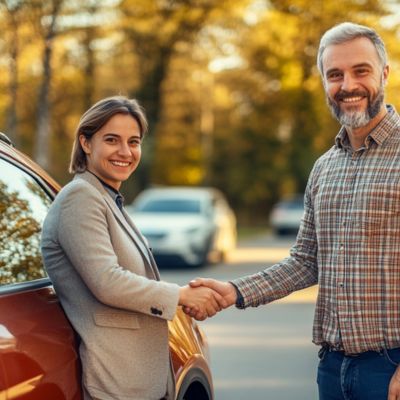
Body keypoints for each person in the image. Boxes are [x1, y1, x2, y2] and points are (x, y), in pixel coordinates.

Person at [188, 22, 400, 400]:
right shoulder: (324, 168)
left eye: (360, 71)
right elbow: (304, 261)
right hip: (332, 370)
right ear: (324, 83)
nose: (347, 85)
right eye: (334, 74)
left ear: (384, 73)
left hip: (391, 369)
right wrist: (234, 290)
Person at [40, 96, 226, 400]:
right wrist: (180, 295)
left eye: (134, 141)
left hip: (142, 378)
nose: (125, 152)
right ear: (86, 143)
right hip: (117, 380)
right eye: (112, 140)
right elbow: (107, 281)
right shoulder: (80, 197)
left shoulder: (106, 198)